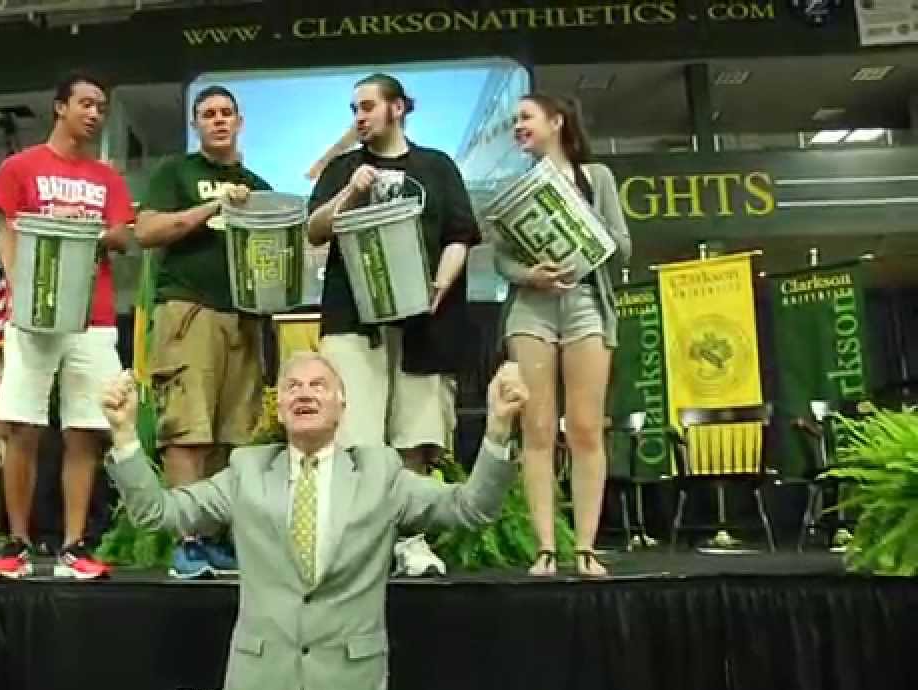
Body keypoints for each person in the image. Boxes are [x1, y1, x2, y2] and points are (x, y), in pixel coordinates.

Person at [100, 354, 526, 690]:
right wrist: (123, 435)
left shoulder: (381, 474)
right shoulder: (246, 472)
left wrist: (499, 431)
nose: (305, 393)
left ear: (342, 405)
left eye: (319, 385)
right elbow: (159, 513)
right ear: (280, 407)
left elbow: (471, 509)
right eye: (293, 386)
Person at [306, 73, 480, 577]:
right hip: (351, 321)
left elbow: (459, 234)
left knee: (416, 435)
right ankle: (363, 547)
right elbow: (315, 230)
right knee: (356, 438)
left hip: (424, 322)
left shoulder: (436, 166)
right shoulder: (344, 167)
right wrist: (348, 197)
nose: (358, 117)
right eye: (354, 109)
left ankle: (414, 540)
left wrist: (440, 286)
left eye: (367, 107)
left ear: (398, 108)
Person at [0, 71, 136, 581]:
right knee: (21, 425)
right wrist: (17, 300)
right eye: (86, 104)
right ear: (59, 107)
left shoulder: (108, 177)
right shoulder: (19, 167)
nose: (94, 114)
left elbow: (121, 236)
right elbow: (6, 236)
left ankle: (74, 545)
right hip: (33, 313)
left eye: (101, 108)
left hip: (92, 316)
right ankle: (17, 543)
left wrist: (85, 224)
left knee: (85, 432)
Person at [134, 85, 272, 579]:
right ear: (197, 124)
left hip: (244, 318)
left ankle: (213, 539)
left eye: (225, 113)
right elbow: (146, 233)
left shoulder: (258, 183)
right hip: (188, 312)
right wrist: (213, 209)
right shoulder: (177, 172)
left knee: (232, 438)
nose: (218, 120)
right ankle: (187, 540)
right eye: (208, 114)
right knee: (187, 430)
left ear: (239, 121)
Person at [492, 93, 632, 577]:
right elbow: (501, 260)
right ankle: (546, 548)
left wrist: (579, 233)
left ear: (556, 122)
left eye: (526, 118)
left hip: (586, 306)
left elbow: (623, 246)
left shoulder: (597, 179)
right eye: (515, 121)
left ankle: (588, 548)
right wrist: (531, 274)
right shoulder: (514, 187)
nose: (518, 127)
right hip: (532, 310)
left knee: (587, 429)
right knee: (537, 429)